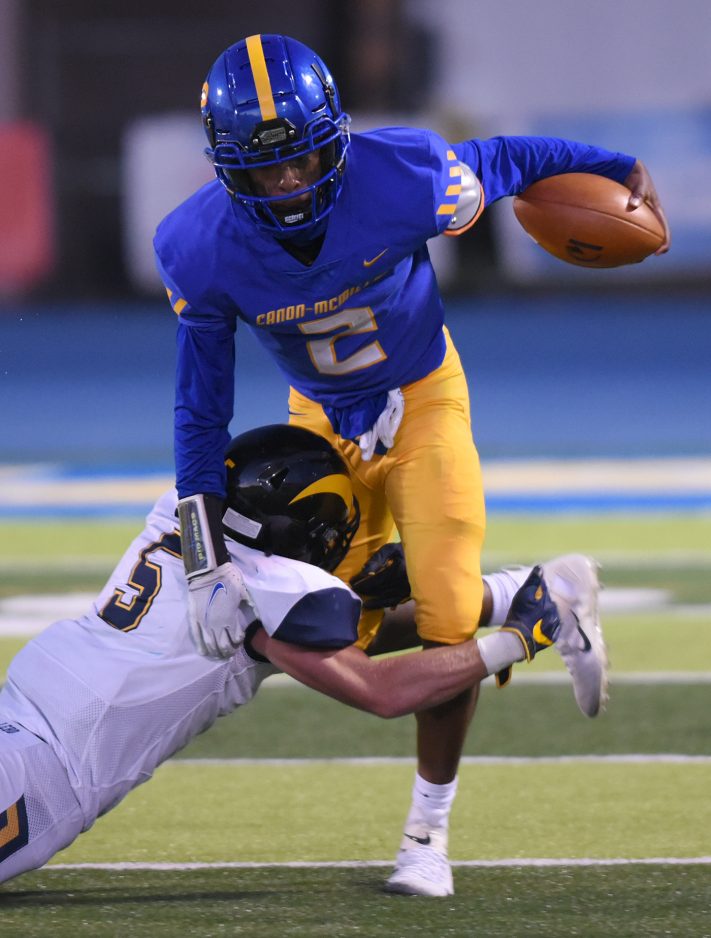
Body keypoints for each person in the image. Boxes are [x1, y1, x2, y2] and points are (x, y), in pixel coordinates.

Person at [152, 34, 652, 896]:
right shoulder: (199, 245)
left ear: (335, 140)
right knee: (330, 634)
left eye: (303, 158)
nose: (289, 182)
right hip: (320, 420)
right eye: (264, 168)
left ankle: (426, 836)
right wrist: (204, 564)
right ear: (226, 169)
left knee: (448, 621)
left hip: (421, 398)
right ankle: (539, 597)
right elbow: (201, 409)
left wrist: (615, 166)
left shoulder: (404, 176)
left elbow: (507, 160)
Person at [0, 424, 591, 887]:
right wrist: (517, 639)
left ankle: (514, 589)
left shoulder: (183, 510)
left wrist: (366, 599)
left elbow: (282, 632)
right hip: (52, 772)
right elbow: (381, 691)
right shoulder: (275, 592)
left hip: (24, 700)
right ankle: (529, 596)